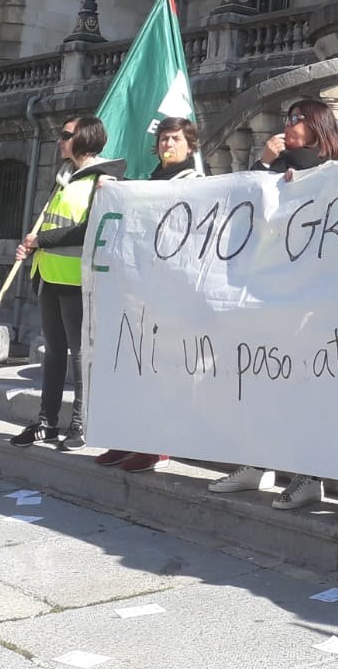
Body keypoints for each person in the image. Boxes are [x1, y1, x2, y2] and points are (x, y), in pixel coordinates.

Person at [208, 100, 338, 504]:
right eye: (287, 119)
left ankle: (308, 475)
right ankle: (255, 462)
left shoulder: (334, 169)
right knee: (261, 381)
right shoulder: (276, 162)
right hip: (268, 290)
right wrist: (264, 164)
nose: (289, 126)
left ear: (318, 126)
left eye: (297, 119)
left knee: (304, 388)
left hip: (311, 296)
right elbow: (242, 209)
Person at [11, 116, 123, 449]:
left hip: (77, 280)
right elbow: (52, 224)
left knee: (80, 354)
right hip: (49, 276)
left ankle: (81, 422)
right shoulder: (64, 180)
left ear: (85, 138)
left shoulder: (105, 180)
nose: (59, 141)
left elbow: (88, 229)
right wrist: (31, 247)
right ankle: (47, 422)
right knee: (55, 352)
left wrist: (42, 240)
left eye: (65, 135)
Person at [98, 118, 202, 475]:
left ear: (190, 145)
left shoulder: (197, 183)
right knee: (133, 366)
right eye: (162, 139)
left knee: (161, 371)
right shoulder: (153, 180)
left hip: (172, 292)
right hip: (139, 285)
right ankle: (129, 436)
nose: (167, 144)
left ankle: (157, 444)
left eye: (174, 138)